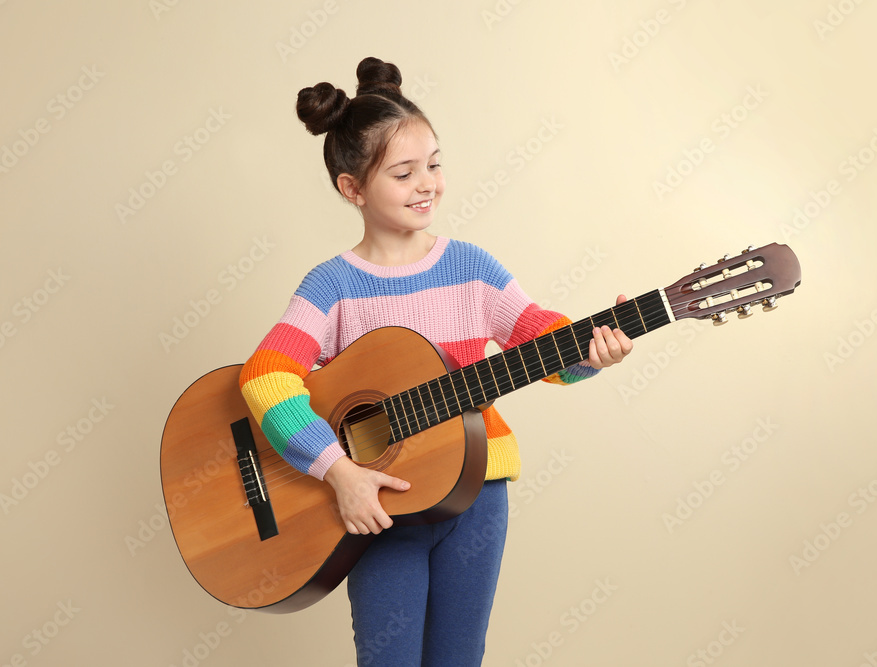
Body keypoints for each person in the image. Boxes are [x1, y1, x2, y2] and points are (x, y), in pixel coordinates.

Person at [239, 56, 633, 666]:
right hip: (380, 506)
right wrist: (338, 472)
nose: (427, 184)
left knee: (459, 658)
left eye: (434, 164)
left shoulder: (472, 267)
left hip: (477, 497)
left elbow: (540, 341)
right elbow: (265, 377)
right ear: (352, 189)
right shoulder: (331, 286)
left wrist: (592, 353)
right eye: (404, 173)